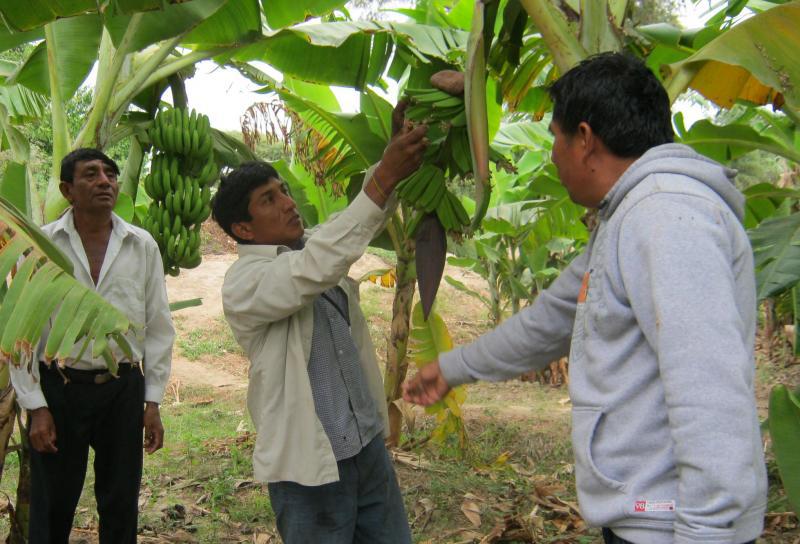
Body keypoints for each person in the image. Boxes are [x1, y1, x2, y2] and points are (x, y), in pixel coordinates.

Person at [403, 52, 766, 544]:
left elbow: (709, 390)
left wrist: (706, 532)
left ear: (586, 139)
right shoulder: (627, 218)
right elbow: (550, 322)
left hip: (674, 524)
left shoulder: (666, 217)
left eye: (555, 136)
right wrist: (454, 367)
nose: (552, 153)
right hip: (651, 515)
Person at [212, 104, 427, 543]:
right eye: (268, 200)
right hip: (311, 470)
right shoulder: (245, 284)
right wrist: (385, 173)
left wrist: (392, 152)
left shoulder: (310, 247)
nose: (289, 203)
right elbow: (318, 265)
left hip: (366, 448)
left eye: (284, 190)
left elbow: (359, 222)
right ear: (243, 229)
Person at [10, 148, 175, 544]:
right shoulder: (43, 245)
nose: (105, 181)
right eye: (91, 174)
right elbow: (23, 331)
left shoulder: (142, 245)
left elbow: (158, 326)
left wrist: (152, 401)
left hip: (122, 389)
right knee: (54, 503)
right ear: (68, 189)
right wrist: (36, 407)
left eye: (111, 174)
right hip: (60, 388)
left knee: (120, 501)